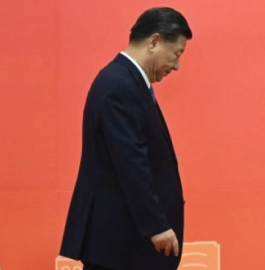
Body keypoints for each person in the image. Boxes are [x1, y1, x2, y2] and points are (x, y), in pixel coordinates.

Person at [60, 7, 192, 270]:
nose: (176, 66)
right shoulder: (120, 85)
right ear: (154, 41)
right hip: (122, 245)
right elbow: (130, 161)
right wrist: (155, 224)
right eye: (177, 54)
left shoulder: (128, 82)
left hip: (127, 243)